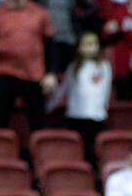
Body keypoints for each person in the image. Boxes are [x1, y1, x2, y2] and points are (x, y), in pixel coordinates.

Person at [0, 0, 57, 130]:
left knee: (38, 119)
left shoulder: (40, 13)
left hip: (34, 73)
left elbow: (50, 47)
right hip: (5, 71)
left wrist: (51, 73)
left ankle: (39, 150)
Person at [48, 31, 112, 166]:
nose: (90, 47)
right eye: (86, 44)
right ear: (79, 47)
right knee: (76, 148)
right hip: (76, 115)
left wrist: (103, 110)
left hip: (96, 116)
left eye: (93, 44)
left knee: (91, 150)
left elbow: (106, 91)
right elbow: (63, 90)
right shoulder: (73, 67)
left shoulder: (104, 67)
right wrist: (49, 107)